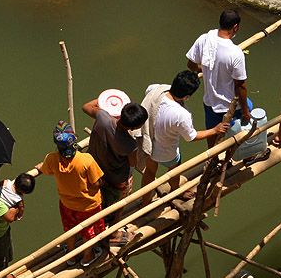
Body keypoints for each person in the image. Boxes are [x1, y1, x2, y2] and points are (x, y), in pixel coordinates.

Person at [141, 70, 229, 205]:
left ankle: (145, 202)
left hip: (147, 142)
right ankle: (176, 190)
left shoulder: (156, 89)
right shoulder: (181, 115)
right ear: (186, 97)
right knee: (175, 169)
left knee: (150, 171)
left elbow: (148, 92)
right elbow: (191, 137)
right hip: (166, 151)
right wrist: (214, 130)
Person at [36, 121, 106, 266]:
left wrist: (40, 167)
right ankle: (87, 257)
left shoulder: (52, 159)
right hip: (88, 205)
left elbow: (45, 169)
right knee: (88, 231)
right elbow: (96, 184)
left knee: (70, 229)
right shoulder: (85, 160)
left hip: (67, 203)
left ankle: (71, 255)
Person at [82, 96, 148, 244]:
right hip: (116, 177)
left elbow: (86, 106)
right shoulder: (130, 144)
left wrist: (106, 99)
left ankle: (97, 221)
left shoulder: (102, 118)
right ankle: (113, 233)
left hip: (95, 169)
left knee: (99, 196)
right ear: (134, 127)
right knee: (120, 203)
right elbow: (132, 163)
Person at [186, 9, 252, 146]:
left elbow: (191, 64)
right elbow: (240, 86)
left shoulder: (204, 39)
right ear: (235, 27)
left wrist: (205, 68)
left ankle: (212, 156)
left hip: (210, 102)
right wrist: (245, 112)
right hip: (229, 105)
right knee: (248, 113)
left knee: (212, 131)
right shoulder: (235, 53)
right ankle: (245, 154)